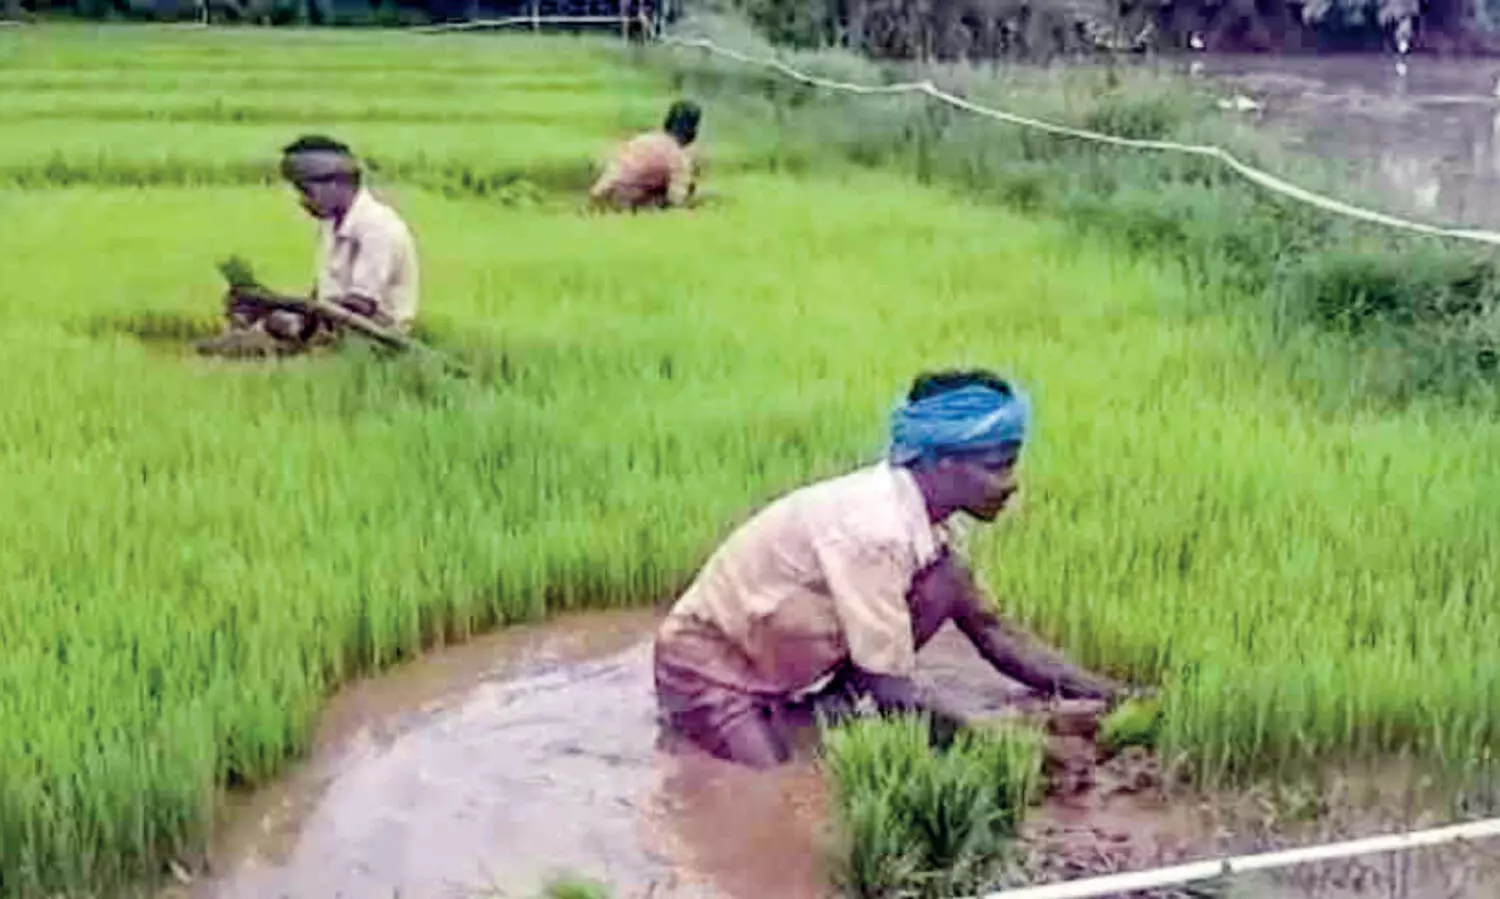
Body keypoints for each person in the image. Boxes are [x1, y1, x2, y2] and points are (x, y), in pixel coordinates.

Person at [653, 369, 1131, 768]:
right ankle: (768, 718)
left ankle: (828, 708)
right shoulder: (875, 533)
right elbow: (892, 691)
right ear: (941, 462)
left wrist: (1118, 696)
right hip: (709, 668)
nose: (1011, 485)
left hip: (779, 657)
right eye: (998, 466)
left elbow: (994, 633)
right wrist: (1014, 750)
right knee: (772, 784)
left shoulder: (929, 523)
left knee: (947, 582)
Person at [197, 135, 420, 358]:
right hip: (331, 330)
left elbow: (361, 305)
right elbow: (323, 297)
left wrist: (280, 307)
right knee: (220, 348)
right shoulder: (331, 225)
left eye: (306, 191)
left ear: (336, 183)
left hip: (374, 340)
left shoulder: (377, 228)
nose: (303, 201)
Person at [588, 100, 700, 212]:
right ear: (692, 131)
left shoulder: (642, 140)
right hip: (625, 202)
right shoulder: (678, 158)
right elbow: (676, 200)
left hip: (600, 195)